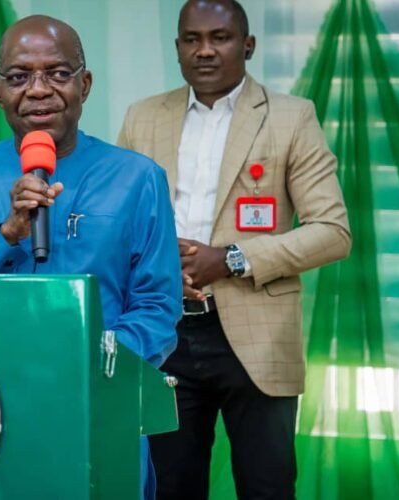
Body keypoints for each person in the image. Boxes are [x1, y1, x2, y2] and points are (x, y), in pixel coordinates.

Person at [0, 15, 182, 498]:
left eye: (58, 73)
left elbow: (158, 305)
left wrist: (93, 371)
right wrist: (6, 233)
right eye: (19, 77)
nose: (38, 90)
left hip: (98, 406)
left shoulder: (138, 178)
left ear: (85, 84)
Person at [118, 1, 351, 498]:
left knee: (266, 487)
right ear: (177, 46)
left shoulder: (290, 117)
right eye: (191, 39)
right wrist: (156, 268)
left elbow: (332, 230)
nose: (204, 51)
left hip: (257, 340)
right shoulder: (143, 118)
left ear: (248, 46)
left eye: (220, 38)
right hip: (165, 335)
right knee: (168, 486)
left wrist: (230, 258)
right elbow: (124, 227)